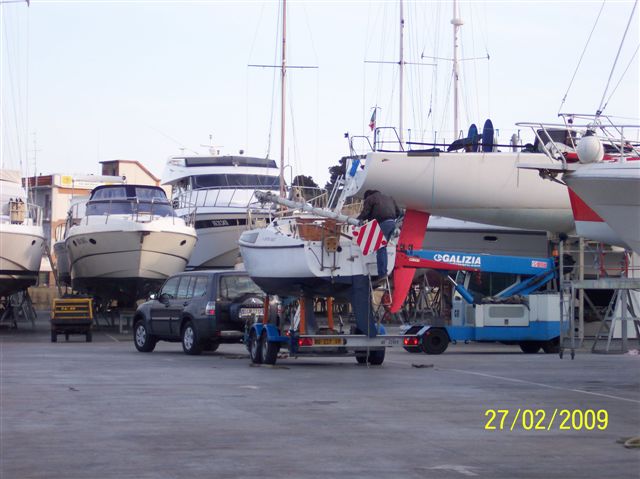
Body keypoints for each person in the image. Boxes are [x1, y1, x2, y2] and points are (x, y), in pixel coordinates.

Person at [357, 189, 402, 276]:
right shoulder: (389, 198)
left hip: (383, 223)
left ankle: (382, 273)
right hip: (392, 223)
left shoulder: (370, 198)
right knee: (383, 247)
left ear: (367, 196)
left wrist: (358, 220)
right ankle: (384, 271)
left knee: (380, 248)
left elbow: (365, 212)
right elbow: (398, 212)